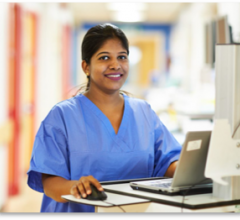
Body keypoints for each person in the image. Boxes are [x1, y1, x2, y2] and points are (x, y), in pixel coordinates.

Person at [27, 23, 182, 213]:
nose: (116, 65)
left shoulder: (144, 112)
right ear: (86, 67)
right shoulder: (62, 116)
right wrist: (75, 187)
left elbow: (167, 163)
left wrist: (192, 168)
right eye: (104, 57)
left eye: (122, 57)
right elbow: (50, 183)